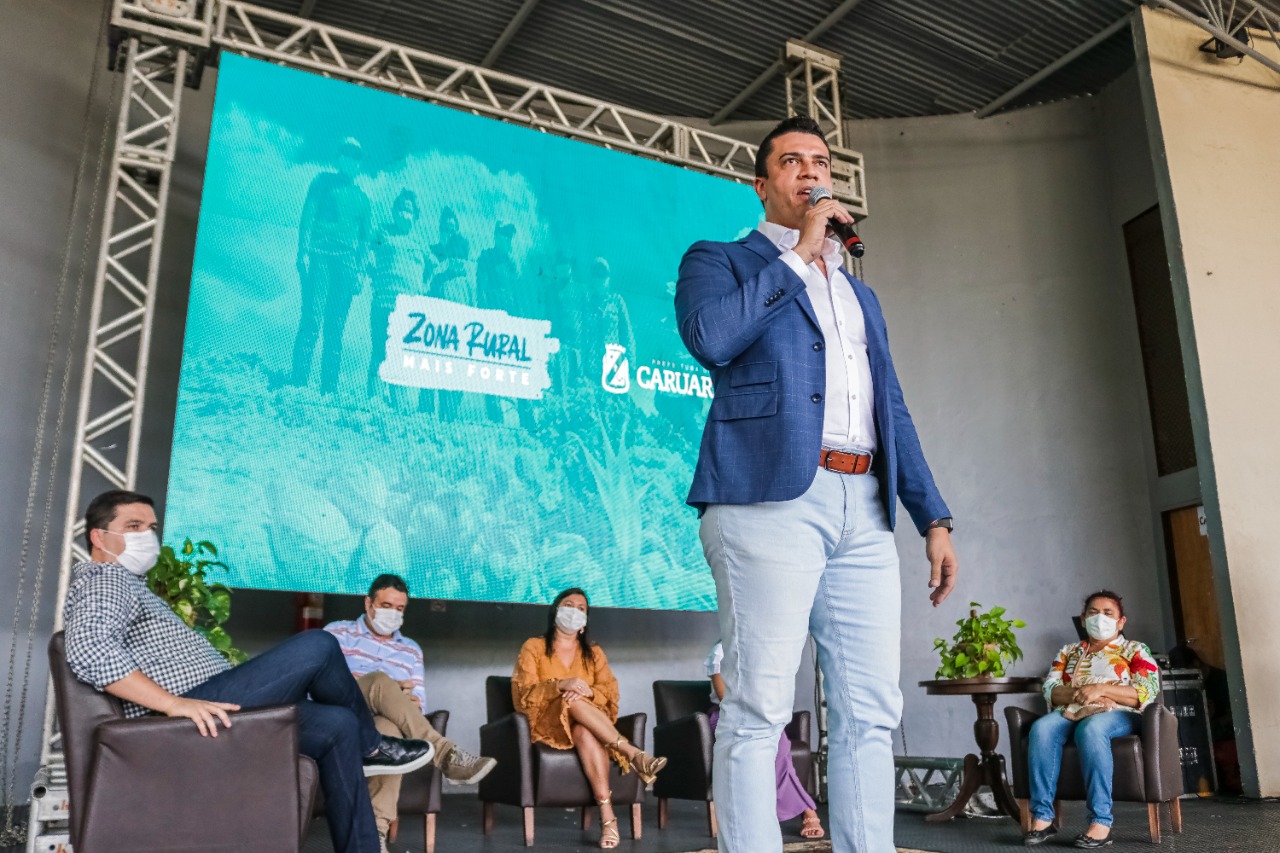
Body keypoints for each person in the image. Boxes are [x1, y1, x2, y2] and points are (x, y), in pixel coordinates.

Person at [674, 114, 959, 853]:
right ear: (761, 183)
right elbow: (711, 338)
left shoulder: (861, 296)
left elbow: (891, 407)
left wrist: (931, 517)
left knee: (871, 710)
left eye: (821, 162)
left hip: (864, 505)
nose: (811, 172)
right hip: (767, 500)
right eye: (792, 161)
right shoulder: (720, 260)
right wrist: (800, 253)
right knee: (759, 705)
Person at [62, 490, 433, 853]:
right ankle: (373, 746)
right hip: (187, 713)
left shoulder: (133, 587)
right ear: (99, 536)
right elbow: (89, 649)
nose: (147, 536)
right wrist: (173, 704)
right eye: (134, 526)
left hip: (214, 702)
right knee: (319, 646)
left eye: (151, 528)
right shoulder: (105, 578)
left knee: (339, 724)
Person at [325, 573, 498, 848]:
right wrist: (381, 685)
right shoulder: (338, 633)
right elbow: (321, 682)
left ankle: (374, 837)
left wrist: (406, 699)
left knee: (389, 734)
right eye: (386, 606)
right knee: (380, 680)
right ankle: (446, 755)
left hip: (382, 721)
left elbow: (419, 706)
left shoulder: (411, 650)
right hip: (342, 714)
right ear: (368, 603)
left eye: (399, 608)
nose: (393, 613)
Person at [512, 588, 667, 849]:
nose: (574, 611)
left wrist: (588, 691)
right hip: (548, 724)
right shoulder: (534, 647)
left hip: (588, 725)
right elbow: (524, 694)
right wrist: (562, 685)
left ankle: (608, 819)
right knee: (571, 698)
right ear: (555, 612)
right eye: (568, 605)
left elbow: (610, 692)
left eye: (581, 608)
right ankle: (634, 754)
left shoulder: (594, 653)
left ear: (584, 622)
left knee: (583, 727)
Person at [1024, 591, 1161, 849]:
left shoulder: (1134, 650)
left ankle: (1100, 822)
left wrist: (1101, 690)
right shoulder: (1068, 652)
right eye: (1093, 613)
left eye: (1108, 613)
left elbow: (1146, 691)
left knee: (1091, 729)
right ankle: (1042, 817)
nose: (1100, 618)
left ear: (1121, 621)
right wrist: (1083, 694)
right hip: (1072, 709)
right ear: (1083, 619)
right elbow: (1050, 689)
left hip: (1119, 713)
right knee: (1041, 729)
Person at [705, 641, 824, 840]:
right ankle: (807, 810)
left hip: (759, 712)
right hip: (727, 715)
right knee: (769, 741)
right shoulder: (719, 651)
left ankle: (768, 812)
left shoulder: (758, 647)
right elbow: (724, 696)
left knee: (779, 746)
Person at [291, 136, 373, 395]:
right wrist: (303, 251)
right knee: (312, 318)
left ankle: (329, 391)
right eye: (346, 153)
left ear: (360, 163)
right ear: (339, 157)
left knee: (335, 328)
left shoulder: (363, 200)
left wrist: (360, 273)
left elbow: (366, 241)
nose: (351, 159)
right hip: (319, 255)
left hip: (347, 264)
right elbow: (308, 216)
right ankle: (297, 385)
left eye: (356, 155)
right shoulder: (322, 182)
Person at [367, 189, 430, 406]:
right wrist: (371, 271)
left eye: (409, 210)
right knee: (379, 352)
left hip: (407, 310)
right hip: (383, 302)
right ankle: (374, 402)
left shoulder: (420, 244)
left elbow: (432, 266)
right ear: (394, 211)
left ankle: (399, 406)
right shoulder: (382, 233)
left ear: (416, 216)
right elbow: (364, 248)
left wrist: (422, 286)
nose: (405, 213)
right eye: (402, 209)